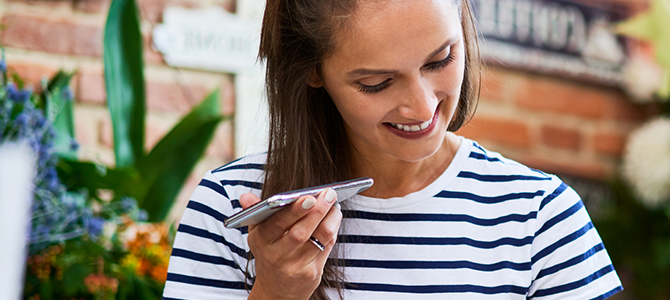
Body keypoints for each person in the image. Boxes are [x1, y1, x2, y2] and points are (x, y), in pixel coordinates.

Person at [162, 0, 622, 298]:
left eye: (441, 59)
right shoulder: (229, 206)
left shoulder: (539, 214)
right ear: (312, 72)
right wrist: (276, 291)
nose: (422, 107)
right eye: (376, 83)